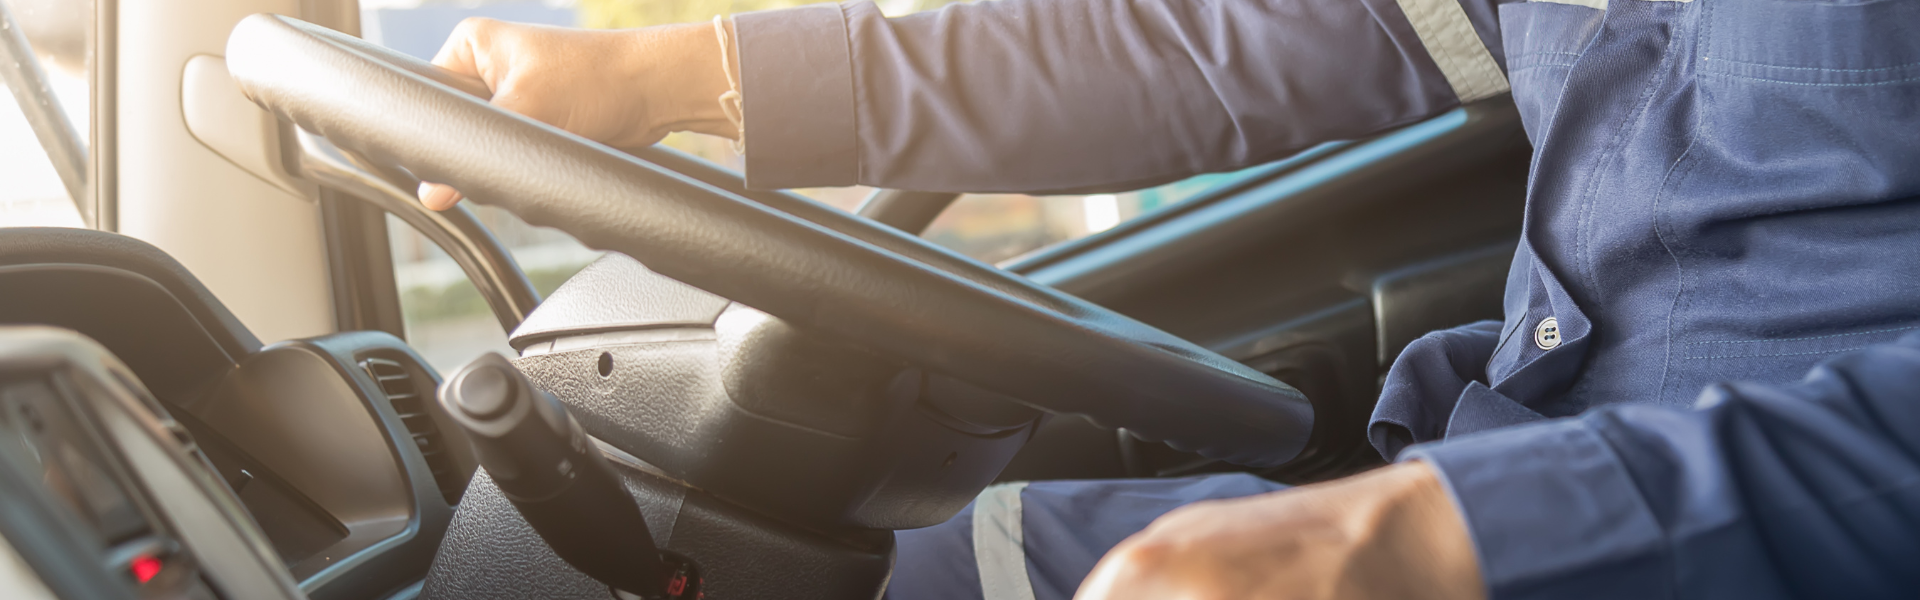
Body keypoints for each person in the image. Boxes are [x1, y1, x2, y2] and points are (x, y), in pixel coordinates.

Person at [415, 0, 1920, 598]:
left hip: (1739, 544)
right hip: (1486, 456)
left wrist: (1428, 538)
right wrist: (683, 75)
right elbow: (1231, 48)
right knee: (892, 572)